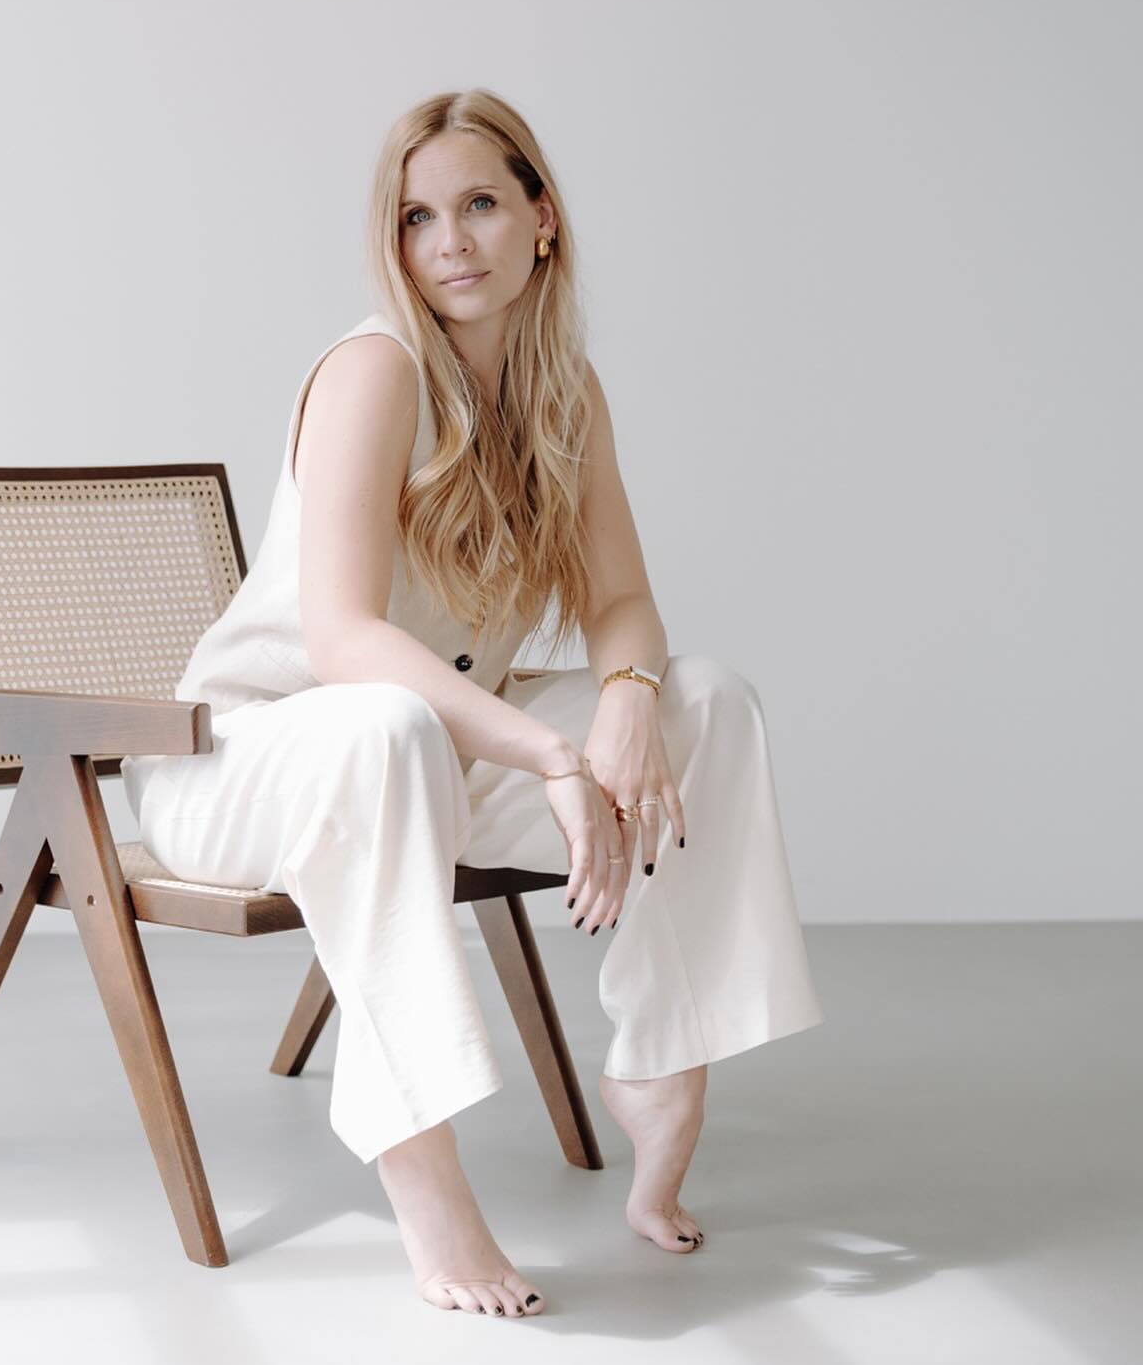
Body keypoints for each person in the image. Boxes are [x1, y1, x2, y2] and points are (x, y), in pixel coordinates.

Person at [121, 87, 824, 1317]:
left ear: (542, 220)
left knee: (705, 698)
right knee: (387, 724)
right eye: (416, 216)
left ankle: (665, 1065)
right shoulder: (374, 371)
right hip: (239, 762)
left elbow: (626, 600)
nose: (449, 240)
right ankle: (423, 1173)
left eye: (482, 203)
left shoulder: (566, 392)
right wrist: (555, 754)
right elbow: (342, 640)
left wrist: (630, 694)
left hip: (423, 757)